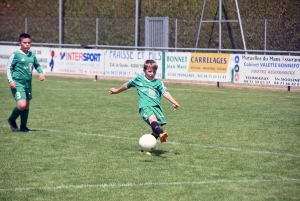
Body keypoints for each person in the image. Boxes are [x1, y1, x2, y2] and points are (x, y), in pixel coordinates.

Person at [109, 59, 180, 155]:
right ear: (144, 71)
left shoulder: (158, 83)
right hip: (145, 107)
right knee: (153, 120)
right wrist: (116, 91)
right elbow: (126, 85)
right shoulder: (138, 79)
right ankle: (161, 134)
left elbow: (165, 93)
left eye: (154, 71)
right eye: (149, 71)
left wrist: (174, 102)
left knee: (157, 128)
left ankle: (146, 149)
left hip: (157, 107)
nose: (152, 73)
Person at [6, 33, 46, 132]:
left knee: (27, 105)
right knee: (22, 105)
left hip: (27, 84)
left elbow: (37, 65)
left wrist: (41, 73)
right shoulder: (16, 55)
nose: (27, 44)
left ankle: (23, 127)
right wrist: (11, 81)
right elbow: (8, 68)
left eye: (29, 43)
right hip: (17, 83)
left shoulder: (32, 55)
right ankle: (11, 119)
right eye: (25, 43)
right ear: (20, 43)